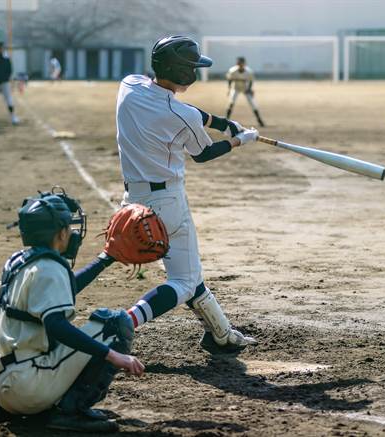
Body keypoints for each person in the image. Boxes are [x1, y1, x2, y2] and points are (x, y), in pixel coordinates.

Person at [116, 36, 258, 354]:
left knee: (188, 273)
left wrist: (222, 123)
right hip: (167, 204)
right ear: (182, 72)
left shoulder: (130, 85)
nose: (195, 71)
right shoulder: (184, 117)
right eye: (192, 67)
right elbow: (204, 154)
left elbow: (177, 107)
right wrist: (240, 140)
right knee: (183, 281)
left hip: (131, 202)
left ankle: (221, 334)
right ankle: (128, 320)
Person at [0, 188, 144, 432]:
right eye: (68, 226)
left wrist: (105, 259)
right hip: (28, 385)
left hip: (4, 384)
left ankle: (11, 408)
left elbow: (63, 290)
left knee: (49, 340)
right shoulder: (49, 268)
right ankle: (71, 412)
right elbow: (56, 326)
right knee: (114, 324)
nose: (71, 231)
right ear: (59, 233)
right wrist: (112, 355)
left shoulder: (19, 262)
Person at [226, 57, 265, 127]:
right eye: (239, 63)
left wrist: (250, 89)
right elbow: (230, 79)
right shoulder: (232, 71)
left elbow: (251, 81)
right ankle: (226, 120)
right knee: (231, 102)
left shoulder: (249, 72)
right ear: (237, 64)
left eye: (242, 63)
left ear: (244, 64)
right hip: (236, 88)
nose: (240, 65)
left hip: (245, 88)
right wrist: (229, 89)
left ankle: (259, 120)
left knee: (252, 103)